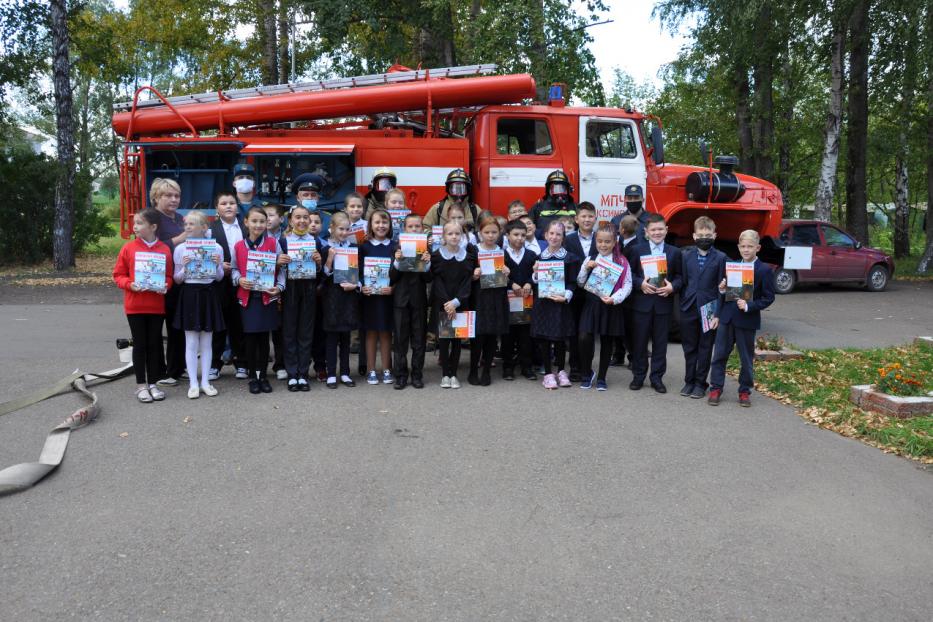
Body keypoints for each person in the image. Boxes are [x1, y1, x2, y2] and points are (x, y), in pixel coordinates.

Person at [708, 230, 775, 407]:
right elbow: (724, 293)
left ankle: (744, 391)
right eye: (743, 246)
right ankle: (715, 387)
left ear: (757, 248)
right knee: (719, 355)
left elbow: (768, 297)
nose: (746, 250)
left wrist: (749, 306)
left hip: (747, 320)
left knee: (746, 358)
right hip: (727, 318)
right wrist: (722, 290)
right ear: (738, 247)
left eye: (750, 246)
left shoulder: (764, 270)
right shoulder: (733, 266)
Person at [113, 209, 173, 403]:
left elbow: (169, 276)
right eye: (135, 223)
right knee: (140, 345)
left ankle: (153, 383)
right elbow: (118, 275)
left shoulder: (164, 249)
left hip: (156, 306)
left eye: (139, 223)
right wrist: (129, 284)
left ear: (153, 227)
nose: (135, 227)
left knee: (154, 345)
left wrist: (166, 286)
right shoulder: (128, 248)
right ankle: (141, 385)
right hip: (135, 305)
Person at [231, 206, 285, 394]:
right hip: (247, 299)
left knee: (264, 340)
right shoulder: (238, 246)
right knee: (250, 339)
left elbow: (282, 270)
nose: (258, 225)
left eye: (262, 221)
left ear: (266, 223)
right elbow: (235, 269)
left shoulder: (273, 243)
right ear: (246, 222)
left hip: (266, 298)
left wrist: (279, 288)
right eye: (254, 221)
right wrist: (239, 279)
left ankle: (263, 375)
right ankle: (253, 377)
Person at [172, 211, 225, 399]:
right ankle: (193, 383)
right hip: (189, 294)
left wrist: (218, 265)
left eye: (192, 224)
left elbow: (218, 277)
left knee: (207, 342)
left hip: (208, 294)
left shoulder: (216, 248)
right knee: (191, 341)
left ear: (204, 227)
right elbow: (177, 280)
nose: (187, 227)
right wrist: (185, 267)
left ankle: (205, 382)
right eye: (186, 224)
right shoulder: (180, 249)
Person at [627, 213, 683, 393]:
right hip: (641, 305)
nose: (657, 232)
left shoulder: (674, 252)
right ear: (646, 231)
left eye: (660, 229)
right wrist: (640, 283)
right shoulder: (636, 250)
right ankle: (638, 376)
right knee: (639, 342)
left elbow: (681, 278)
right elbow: (629, 275)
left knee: (660, 344)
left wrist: (672, 287)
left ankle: (657, 378)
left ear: (666, 230)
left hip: (663, 305)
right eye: (653, 230)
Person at [575, 223, 632, 391]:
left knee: (607, 341)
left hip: (610, 305)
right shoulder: (591, 258)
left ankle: (602, 377)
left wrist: (615, 299)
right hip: (591, 304)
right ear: (595, 241)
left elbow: (627, 285)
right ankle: (587, 373)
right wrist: (586, 268)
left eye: (607, 242)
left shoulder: (621, 261)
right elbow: (579, 282)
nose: (603, 245)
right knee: (584, 337)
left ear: (615, 242)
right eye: (599, 241)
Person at [679, 216, 727, 399]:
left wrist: (717, 314)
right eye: (700, 234)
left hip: (709, 308)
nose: (704, 237)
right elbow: (683, 281)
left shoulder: (721, 258)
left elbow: (723, 289)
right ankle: (688, 381)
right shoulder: (686, 255)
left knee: (705, 347)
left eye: (708, 234)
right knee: (689, 347)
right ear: (694, 235)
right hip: (688, 308)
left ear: (714, 235)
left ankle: (700, 383)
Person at [531, 220, 582, 389]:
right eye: (551, 233)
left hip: (560, 303)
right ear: (545, 235)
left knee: (560, 339)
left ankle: (561, 370)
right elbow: (536, 283)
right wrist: (536, 273)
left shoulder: (570, 258)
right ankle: (547, 373)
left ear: (563, 237)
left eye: (558, 234)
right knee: (545, 339)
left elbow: (574, 282)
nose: (554, 237)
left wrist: (566, 296)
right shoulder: (540, 258)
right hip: (544, 303)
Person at [279, 204, 324, 392]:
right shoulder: (283, 242)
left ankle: (303, 374)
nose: (302, 221)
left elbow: (321, 274)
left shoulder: (316, 243)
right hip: (290, 289)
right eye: (298, 217)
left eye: (306, 217)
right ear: (290, 221)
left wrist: (319, 262)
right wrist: (279, 262)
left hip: (309, 290)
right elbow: (276, 271)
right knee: (289, 332)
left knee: (306, 332)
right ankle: (292, 374)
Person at [150, 178, 187, 387]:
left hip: (179, 282)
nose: (173, 199)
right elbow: (149, 248)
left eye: (176, 195)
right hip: (157, 283)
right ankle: (158, 371)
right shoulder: (152, 218)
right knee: (156, 330)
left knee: (177, 328)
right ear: (156, 197)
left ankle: (176, 369)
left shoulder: (181, 218)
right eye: (168, 195)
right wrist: (179, 240)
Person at [431, 220, 476, 389]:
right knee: (444, 339)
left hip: (459, 303)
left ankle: (454, 374)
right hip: (442, 304)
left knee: (457, 339)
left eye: (457, 233)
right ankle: (445, 375)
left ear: (462, 236)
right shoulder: (436, 256)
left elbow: (467, 282)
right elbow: (437, 282)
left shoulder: (468, 256)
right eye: (450, 233)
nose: (454, 236)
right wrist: (447, 304)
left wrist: (456, 302)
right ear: (444, 236)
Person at [390, 213, 432, 389]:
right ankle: (400, 375)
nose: (414, 229)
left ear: (422, 229)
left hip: (418, 301)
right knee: (400, 340)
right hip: (400, 301)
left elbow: (429, 279)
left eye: (417, 226)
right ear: (404, 229)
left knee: (418, 340)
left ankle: (417, 374)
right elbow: (392, 278)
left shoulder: (427, 251)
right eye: (410, 227)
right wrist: (397, 262)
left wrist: (427, 264)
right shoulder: (396, 248)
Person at [210, 190, 248, 380]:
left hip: (243, 282)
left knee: (238, 324)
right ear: (217, 208)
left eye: (232, 203)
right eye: (223, 203)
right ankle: (214, 364)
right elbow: (204, 256)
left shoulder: (246, 227)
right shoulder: (210, 229)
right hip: (220, 284)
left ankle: (241, 363)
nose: (228, 206)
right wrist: (218, 265)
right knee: (219, 325)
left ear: (237, 206)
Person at [469, 216, 510, 386]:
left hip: (496, 297)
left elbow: (505, 278)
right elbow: (466, 276)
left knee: (492, 335)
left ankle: (486, 371)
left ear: (499, 233)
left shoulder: (501, 251)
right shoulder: (473, 250)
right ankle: (473, 370)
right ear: (480, 233)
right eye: (487, 232)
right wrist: (474, 274)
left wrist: (507, 272)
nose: (491, 235)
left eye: (494, 232)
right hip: (479, 297)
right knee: (477, 335)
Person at [321, 211, 360, 389]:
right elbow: (322, 275)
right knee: (331, 337)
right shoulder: (325, 247)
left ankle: (345, 372)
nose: (344, 232)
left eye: (347, 229)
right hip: (331, 297)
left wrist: (356, 284)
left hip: (348, 297)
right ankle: (330, 374)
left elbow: (359, 272)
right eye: (340, 229)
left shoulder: (353, 248)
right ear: (332, 228)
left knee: (345, 337)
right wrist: (329, 258)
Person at [359, 209, 395, 385]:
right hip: (369, 298)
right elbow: (357, 271)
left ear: (390, 225)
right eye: (377, 223)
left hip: (387, 297)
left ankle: (387, 369)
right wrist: (361, 286)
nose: (381, 226)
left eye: (385, 222)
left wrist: (393, 288)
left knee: (386, 333)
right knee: (371, 333)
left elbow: (399, 272)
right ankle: (371, 370)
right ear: (370, 225)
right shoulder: (364, 247)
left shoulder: (395, 246)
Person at [563, 201, 599, 382]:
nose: (587, 219)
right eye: (583, 216)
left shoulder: (601, 238)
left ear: (595, 218)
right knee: (574, 331)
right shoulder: (567, 240)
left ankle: (586, 367)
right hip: (573, 293)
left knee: (587, 332)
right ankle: (575, 367)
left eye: (590, 216)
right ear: (576, 219)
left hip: (594, 294)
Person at [502, 219, 537, 381]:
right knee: (508, 336)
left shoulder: (531, 255)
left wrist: (530, 281)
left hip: (526, 301)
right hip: (508, 301)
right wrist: (511, 283)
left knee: (526, 336)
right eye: (516, 234)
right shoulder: (501, 255)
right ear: (507, 235)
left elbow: (536, 274)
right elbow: (496, 277)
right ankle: (508, 367)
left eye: (523, 235)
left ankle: (526, 367)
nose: (519, 238)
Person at [265, 203, 289, 380]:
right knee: (262, 327)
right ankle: (259, 364)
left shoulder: (288, 238)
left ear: (281, 219)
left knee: (280, 328)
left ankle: (280, 364)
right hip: (262, 287)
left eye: (271, 215)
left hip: (283, 287)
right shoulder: (258, 237)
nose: (267, 219)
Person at [307, 211, 330, 382]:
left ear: (322, 225)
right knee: (302, 331)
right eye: (309, 221)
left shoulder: (326, 246)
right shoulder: (292, 243)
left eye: (317, 222)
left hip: (320, 295)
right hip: (301, 293)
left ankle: (321, 366)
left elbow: (329, 273)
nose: (313, 224)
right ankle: (301, 367)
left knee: (320, 333)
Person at [528, 170, 577, 238]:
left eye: (562, 189)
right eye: (555, 189)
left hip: (569, 244)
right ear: (549, 191)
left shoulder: (574, 207)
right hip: (544, 243)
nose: (559, 192)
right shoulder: (539, 207)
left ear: (567, 190)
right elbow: (528, 227)